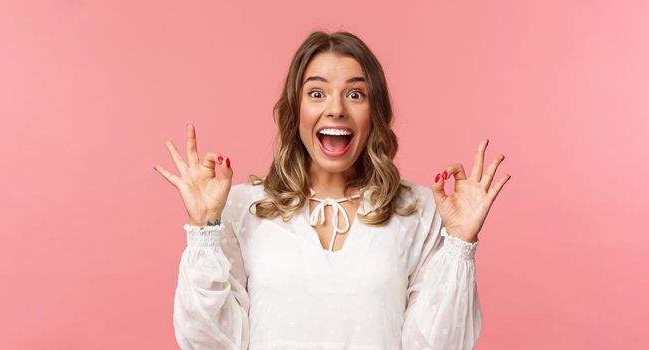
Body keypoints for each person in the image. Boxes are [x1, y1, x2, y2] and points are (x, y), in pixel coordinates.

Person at [154, 31, 511, 350]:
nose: (336, 109)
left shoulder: (418, 209)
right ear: (296, 110)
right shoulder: (243, 207)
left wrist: (460, 243)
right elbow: (209, 342)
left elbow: (438, 345)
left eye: (355, 94)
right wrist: (203, 228)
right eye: (317, 93)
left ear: (375, 112)